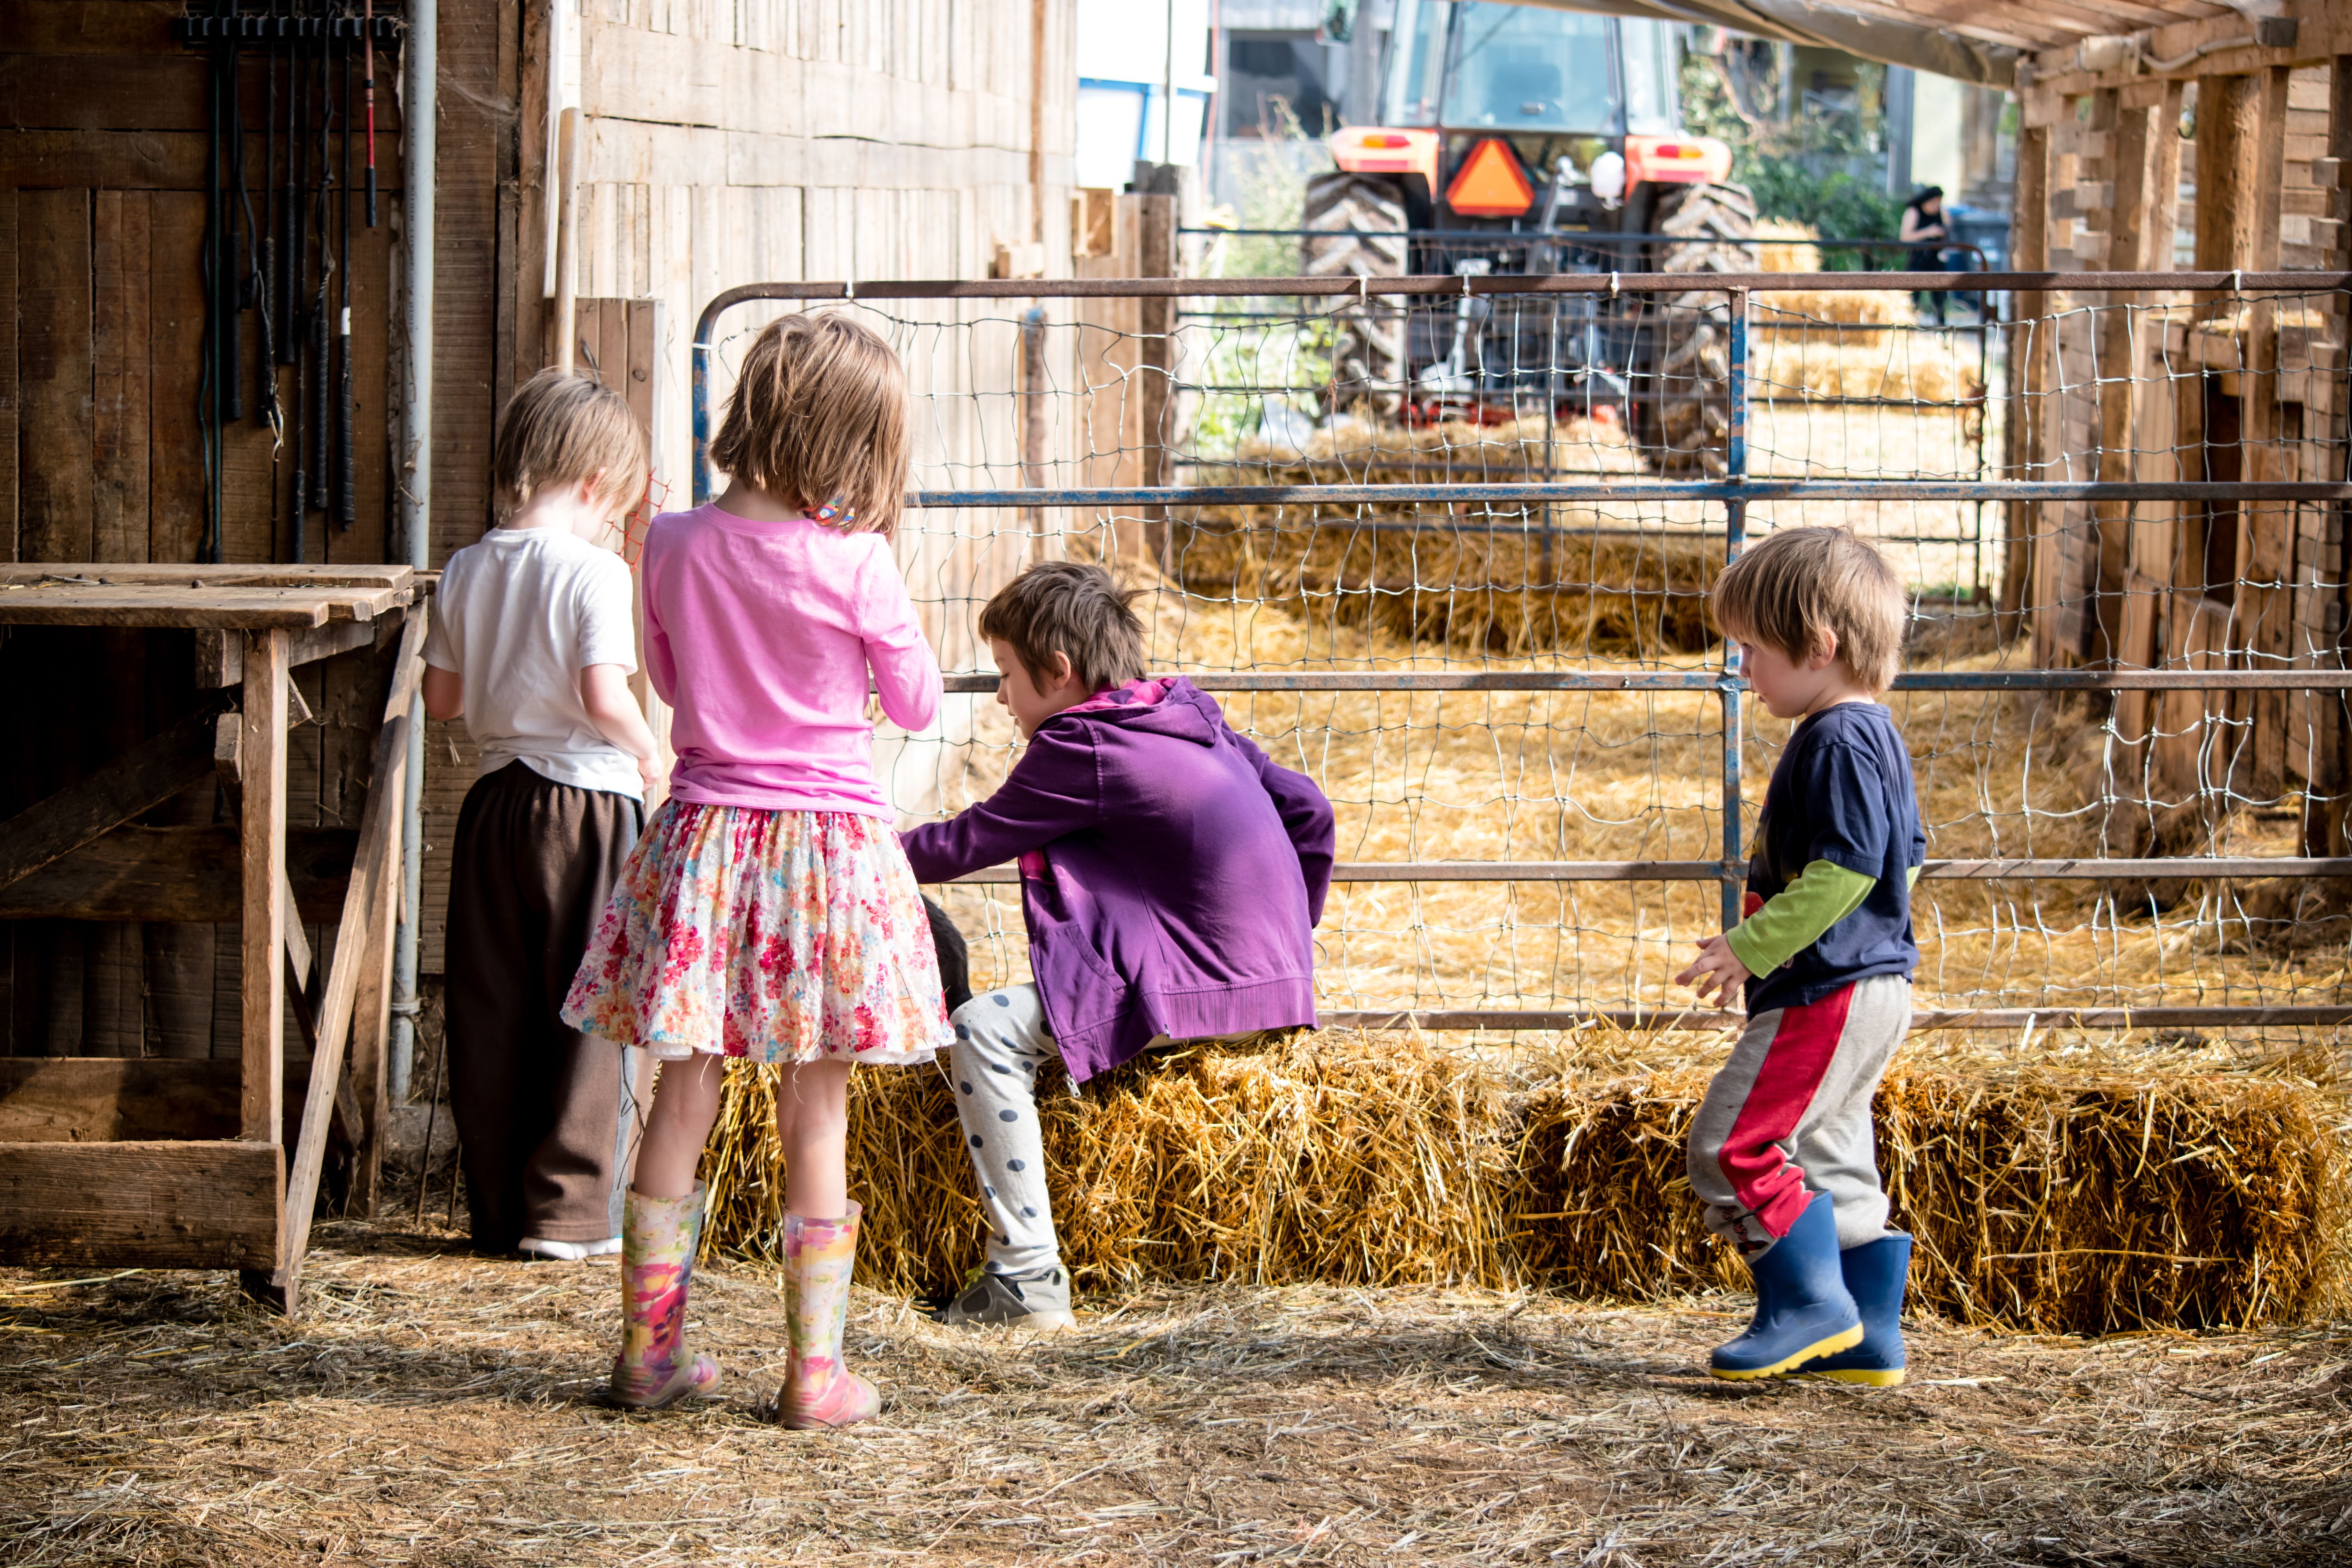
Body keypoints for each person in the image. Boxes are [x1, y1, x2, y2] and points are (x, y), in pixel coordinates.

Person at [560, 312, 952, 1427]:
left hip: (705, 844)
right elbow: (917, 701)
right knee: (814, 1109)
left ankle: (649, 1357)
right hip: (826, 854)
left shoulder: (672, 541)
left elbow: (669, 682)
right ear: (845, 442)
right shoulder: (858, 559)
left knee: (681, 1090)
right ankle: (814, 1376)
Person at [900, 561, 1336, 1330]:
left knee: (982, 1031)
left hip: (1207, 987)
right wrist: (1283, 948)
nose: (1000, 696)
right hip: (1279, 985)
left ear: (1058, 670)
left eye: (1006, 673)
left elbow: (966, 840)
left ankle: (1025, 1278)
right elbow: (1310, 809)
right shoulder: (1186, 711)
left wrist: (854, 853)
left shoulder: (1083, 743)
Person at [1674, 526, 1923, 1386]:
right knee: (1831, 1153)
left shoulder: (1835, 741)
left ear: (1819, 646)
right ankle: (1864, 1338)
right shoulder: (1876, 735)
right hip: (1875, 984)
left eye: (1753, 649)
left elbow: (1847, 869)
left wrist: (1752, 946)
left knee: (1732, 1146)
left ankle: (1812, 1305)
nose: (1743, 667)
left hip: (1826, 992)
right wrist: (1877, 935)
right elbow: (1906, 860)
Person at [421, 367, 659, 1263]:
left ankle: (496, 1208)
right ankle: (570, 1211)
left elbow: (442, 700)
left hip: (493, 805)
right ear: (597, 485)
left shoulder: (464, 568)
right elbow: (604, 695)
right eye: (616, 508)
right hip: (589, 806)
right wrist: (651, 752)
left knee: (492, 1003)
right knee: (597, 1001)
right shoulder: (596, 571)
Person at [1899, 186, 1962, 325]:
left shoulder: (1943, 213)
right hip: (1917, 259)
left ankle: (1941, 327)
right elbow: (1905, 238)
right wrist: (1927, 232)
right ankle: (1908, 325)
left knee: (1940, 297)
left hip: (1937, 259)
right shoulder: (1914, 212)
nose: (1936, 206)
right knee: (1912, 297)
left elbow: (1950, 235)